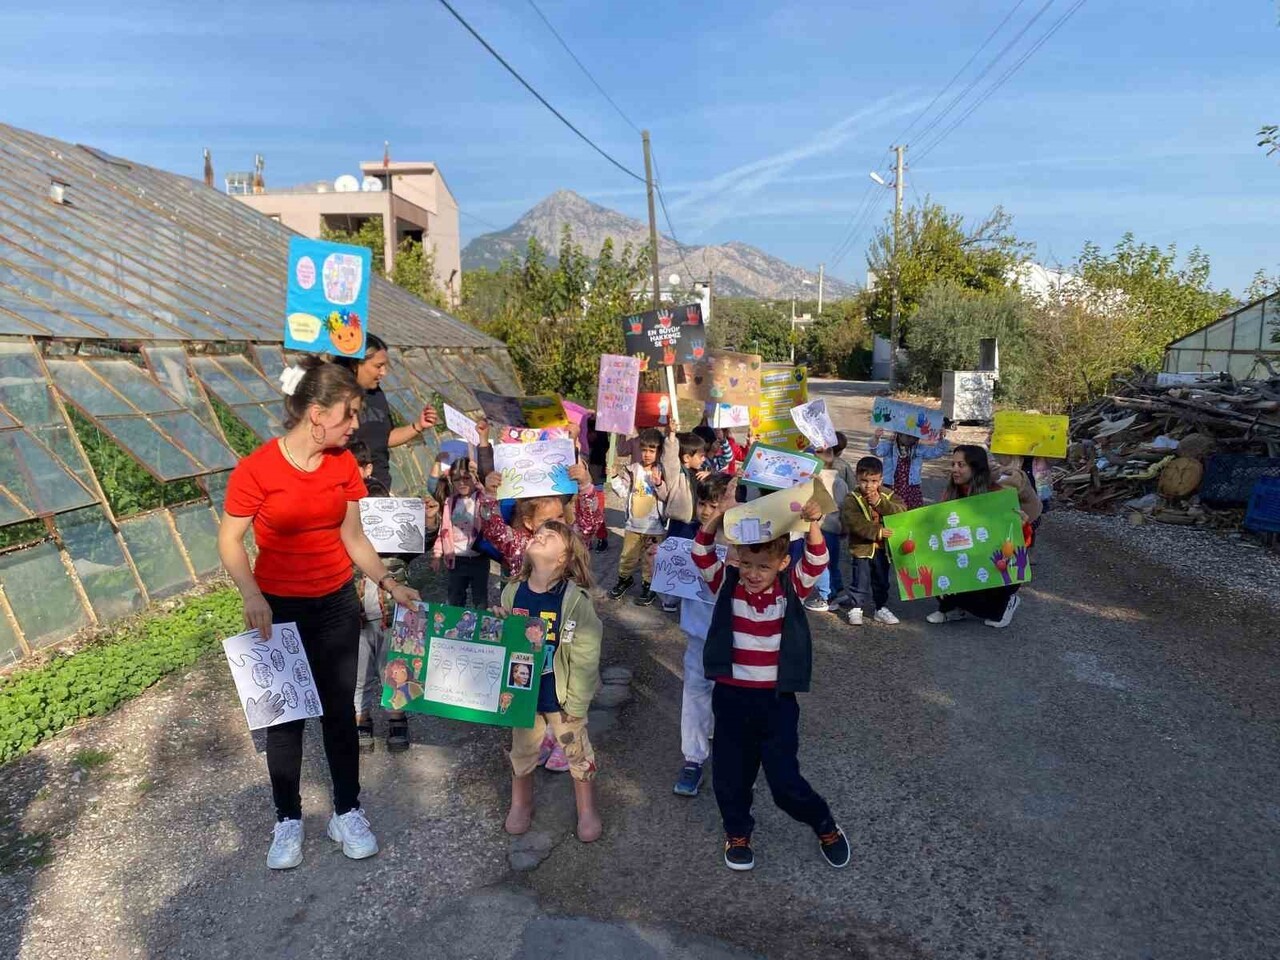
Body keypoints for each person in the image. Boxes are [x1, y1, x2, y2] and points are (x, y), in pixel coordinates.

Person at [217, 357, 420, 870]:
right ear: (316, 414)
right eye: (348, 414)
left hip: (335, 605)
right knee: (284, 721)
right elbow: (230, 540)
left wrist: (388, 582)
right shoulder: (256, 470)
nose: (356, 424)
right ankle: (288, 820)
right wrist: (251, 594)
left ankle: (346, 811)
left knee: (338, 714)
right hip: (277, 611)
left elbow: (353, 537)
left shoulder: (343, 465)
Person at [692, 478, 851, 873]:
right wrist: (716, 520)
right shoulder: (727, 585)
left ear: (782, 563)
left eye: (763, 566)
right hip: (731, 700)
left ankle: (824, 824)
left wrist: (813, 523)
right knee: (730, 777)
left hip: (777, 703)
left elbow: (816, 560)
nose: (753, 573)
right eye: (746, 563)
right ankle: (738, 831)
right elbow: (700, 554)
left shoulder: (790, 589)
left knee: (784, 784)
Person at [499, 520, 604, 843]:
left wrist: (577, 702)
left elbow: (586, 654)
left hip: (561, 697)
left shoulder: (574, 600)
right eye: (538, 533)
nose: (540, 536)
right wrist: (497, 626)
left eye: (551, 536)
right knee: (523, 750)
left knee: (576, 751)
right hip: (524, 694)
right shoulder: (512, 591)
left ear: (563, 558)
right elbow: (503, 645)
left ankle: (586, 809)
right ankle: (521, 803)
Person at [348, 440, 439, 753]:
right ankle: (362, 721)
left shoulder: (398, 551)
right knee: (358, 672)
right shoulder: (343, 537)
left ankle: (397, 720)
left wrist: (429, 521)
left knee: (394, 668)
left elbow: (422, 542)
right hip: (354, 616)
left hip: (394, 614)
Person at [925, 445, 1037, 630]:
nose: (954, 469)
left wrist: (1023, 526)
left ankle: (1008, 600)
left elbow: (1018, 544)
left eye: (961, 465)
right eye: (953, 464)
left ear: (975, 467)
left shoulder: (997, 495)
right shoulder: (950, 495)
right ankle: (954, 607)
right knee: (939, 577)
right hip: (965, 560)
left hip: (993, 564)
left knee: (991, 612)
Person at [672, 473, 732, 798]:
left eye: (716, 504)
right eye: (704, 503)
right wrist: (659, 570)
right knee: (695, 693)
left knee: (728, 700)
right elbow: (672, 590)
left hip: (736, 640)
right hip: (697, 636)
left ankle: (733, 756)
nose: (708, 511)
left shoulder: (741, 543)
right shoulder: (686, 538)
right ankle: (693, 758)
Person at [337, 333, 438, 496]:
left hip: (378, 487)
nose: (384, 372)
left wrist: (418, 426)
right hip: (347, 489)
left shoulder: (376, 394)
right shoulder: (336, 397)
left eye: (385, 366)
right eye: (378, 366)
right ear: (356, 364)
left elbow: (384, 438)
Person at [840, 456, 906, 626]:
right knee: (860, 579)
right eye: (864, 481)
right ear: (857, 478)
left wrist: (880, 503)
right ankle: (856, 607)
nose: (869, 485)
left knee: (881, 580)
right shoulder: (852, 498)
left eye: (874, 481)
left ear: (881, 480)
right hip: (862, 548)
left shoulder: (888, 495)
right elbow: (854, 522)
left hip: (883, 548)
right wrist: (877, 531)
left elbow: (901, 511)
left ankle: (880, 607)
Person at [608, 427, 667, 604]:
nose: (647, 454)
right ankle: (624, 579)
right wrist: (614, 478)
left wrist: (659, 484)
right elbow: (623, 492)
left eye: (651, 450)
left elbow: (667, 496)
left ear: (659, 451)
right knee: (628, 556)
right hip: (633, 524)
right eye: (643, 450)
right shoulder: (632, 469)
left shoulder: (662, 471)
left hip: (654, 526)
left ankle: (649, 585)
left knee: (651, 559)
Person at [658, 422, 709, 612]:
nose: (704, 458)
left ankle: (691, 594)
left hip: (698, 525)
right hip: (680, 525)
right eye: (701, 455)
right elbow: (670, 459)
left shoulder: (701, 474)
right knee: (674, 559)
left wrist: (710, 476)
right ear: (687, 457)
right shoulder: (677, 474)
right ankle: (669, 598)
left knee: (694, 560)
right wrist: (672, 436)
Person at [431, 456, 491, 608]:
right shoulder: (450, 503)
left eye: (466, 478)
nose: (462, 483)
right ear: (451, 481)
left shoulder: (480, 498)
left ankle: (481, 629)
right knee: (455, 598)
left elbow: (489, 496)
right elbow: (443, 530)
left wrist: (477, 476)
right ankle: (453, 627)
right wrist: (437, 555)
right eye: (457, 479)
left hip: (479, 558)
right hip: (456, 559)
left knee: (480, 599)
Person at [869, 427, 950, 510]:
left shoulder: (919, 448)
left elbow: (936, 452)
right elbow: (875, 450)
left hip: (911, 489)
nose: (911, 439)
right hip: (891, 486)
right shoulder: (889, 446)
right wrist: (876, 437)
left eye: (915, 437)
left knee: (912, 512)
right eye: (908, 436)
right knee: (890, 510)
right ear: (899, 433)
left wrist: (941, 439)